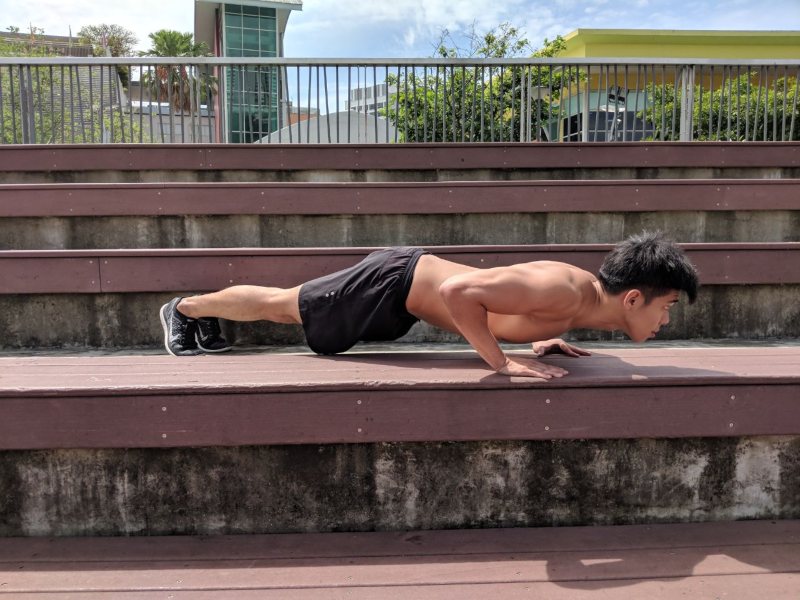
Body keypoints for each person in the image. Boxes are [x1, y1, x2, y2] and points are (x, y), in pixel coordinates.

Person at [159, 231, 698, 379]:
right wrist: (501, 362)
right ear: (633, 297)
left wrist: (536, 339)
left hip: (403, 297)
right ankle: (185, 310)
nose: (666, 319)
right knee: (285, 305)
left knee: (293, 311)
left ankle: (201, 317)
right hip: (396, 282)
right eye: (666, 306)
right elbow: (458, 292)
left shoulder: (577, 303)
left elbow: (503, 305)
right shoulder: (564, 289)